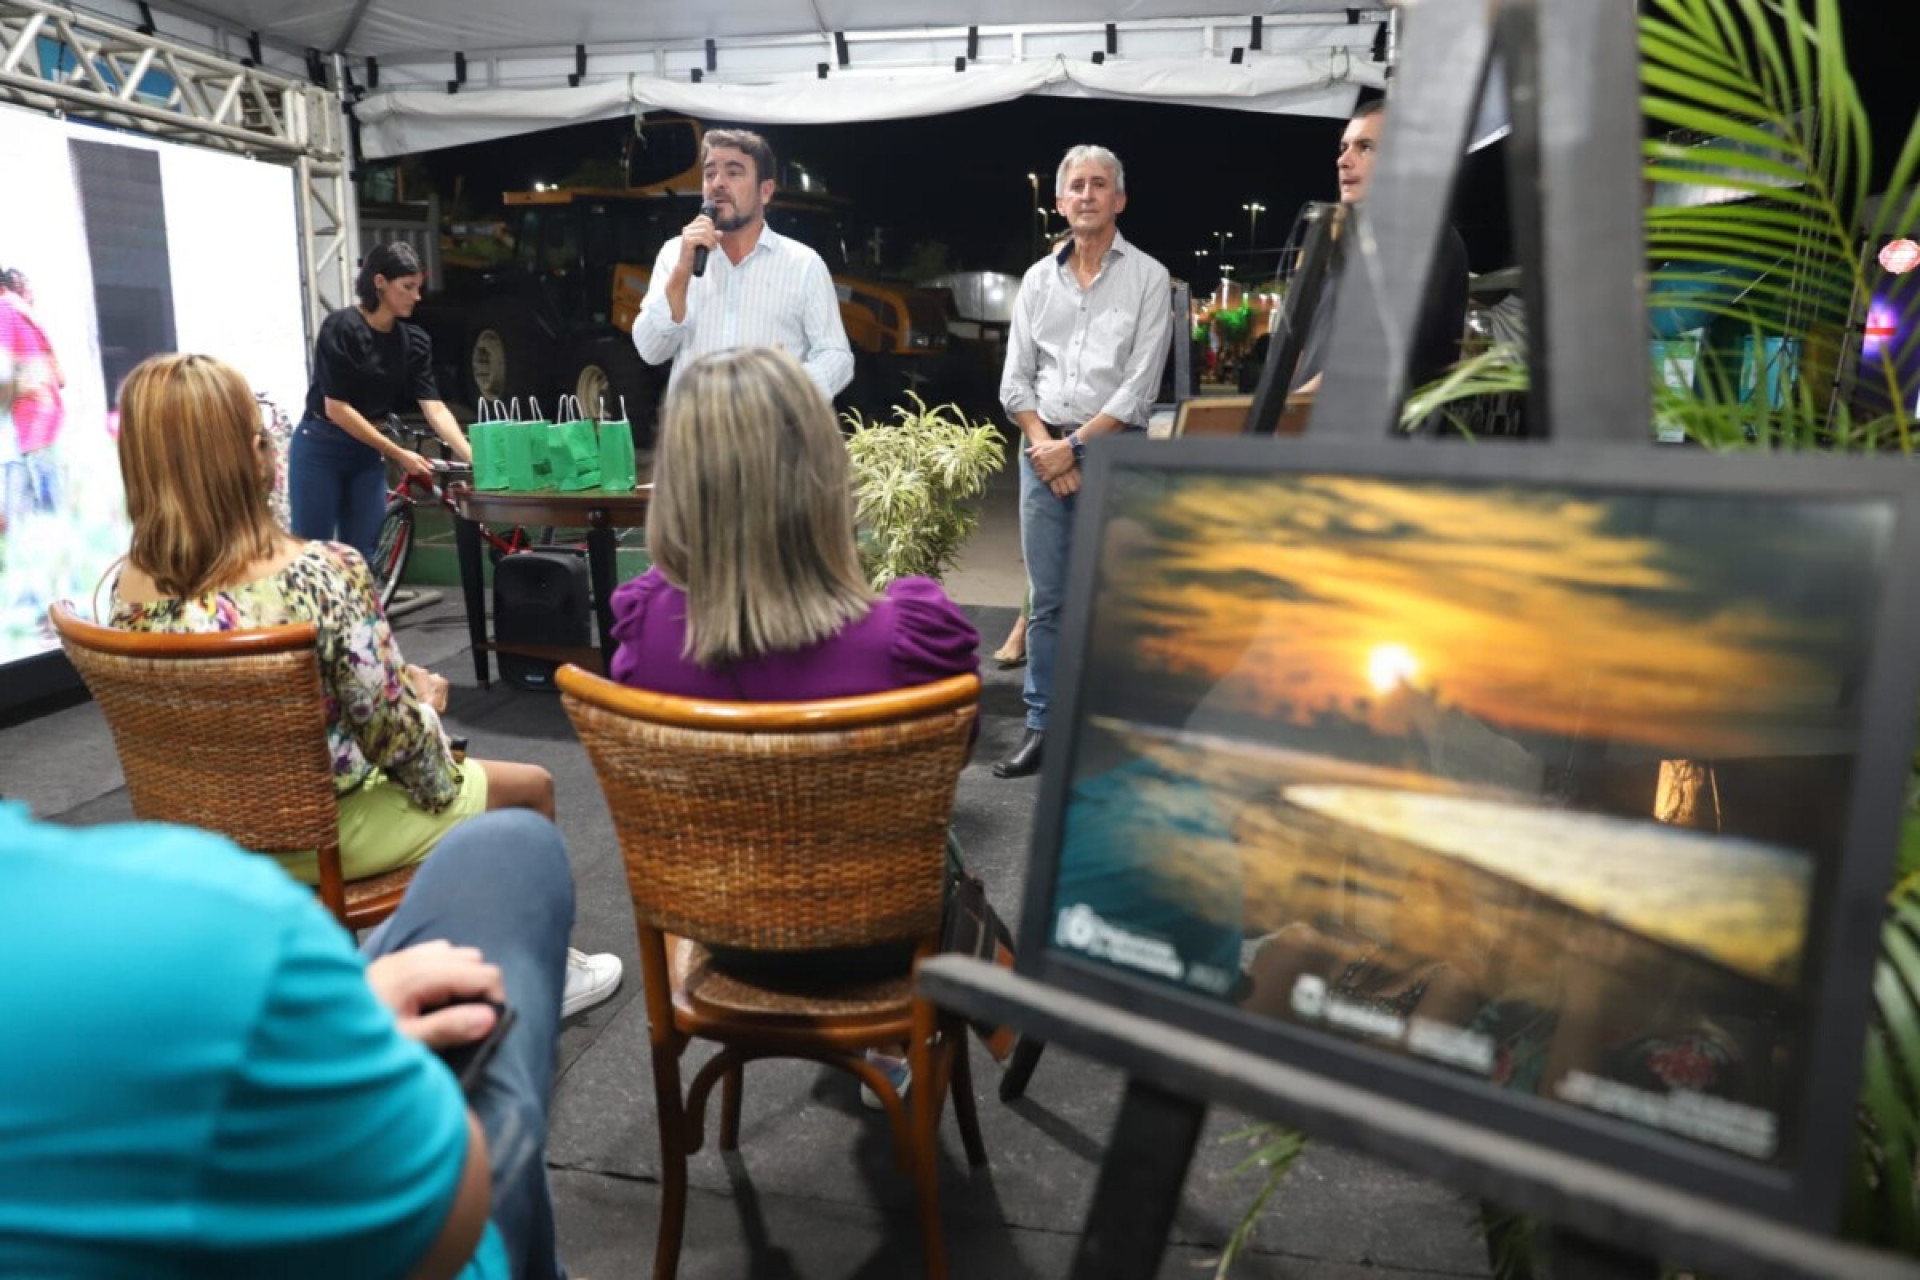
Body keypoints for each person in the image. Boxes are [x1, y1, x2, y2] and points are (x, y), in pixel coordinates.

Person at [106, 353, 620, 1018]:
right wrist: (430, 711)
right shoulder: (322, 572)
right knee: (531, 789)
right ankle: (541, 971)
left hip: (201, 838)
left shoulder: (126, 587)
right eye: (263, 434)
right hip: (322, 833)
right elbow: (397, 741)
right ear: (249, 458)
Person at [608, 345, 978, 1101]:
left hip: (725, 937)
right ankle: (953, 1029)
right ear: (821, 473)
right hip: (876, 943)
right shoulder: (907, 638)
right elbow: (955, 758)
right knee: (947, 851)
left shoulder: (646, 634)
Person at [0, 802, 579, 1280]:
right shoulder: (212, 925)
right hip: (335, 821)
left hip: (242, 815)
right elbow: (451, 1218)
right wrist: (351, 1032)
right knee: (512, 845)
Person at [995, 144, 1172, 779]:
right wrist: (1047, 446)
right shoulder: (1038, 280)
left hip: (1112, 454)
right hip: (1041, 452)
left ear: (1119, 200)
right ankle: (1042, 727)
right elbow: (1015, 381)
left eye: (1101, 185)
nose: (1088, 195)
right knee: (1049, 600)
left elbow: (1139, 389)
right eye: (1077, 186)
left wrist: (1070, 449)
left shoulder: (1150, 277)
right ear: (1061, 200)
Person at [631, 128, 854, 403]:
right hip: (693, 438)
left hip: (771, 437)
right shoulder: (676, 254)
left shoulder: (803, 265)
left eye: (733, 173)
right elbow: (650, 351)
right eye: (710, 173)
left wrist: (787, 387)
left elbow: (837, 356)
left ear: (766, 191)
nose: (717, 183)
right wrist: (681, 274)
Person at [291, 241, 470, 561]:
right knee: (311, 553)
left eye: (418, 287)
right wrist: (398, 453)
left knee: (362, 556)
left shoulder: (413, 341)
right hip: (322, 446)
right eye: (408, 287)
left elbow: (434, 406)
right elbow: (337, 408)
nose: (416, 296)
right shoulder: (342, 328)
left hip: (367, 450)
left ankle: (362, 611)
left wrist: (470, 455)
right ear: (379, 282)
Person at [1288, 98, 1471, 396]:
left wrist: (1291, 410)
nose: (1343, 160)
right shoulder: (1353, 241)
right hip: (1311, 426)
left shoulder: (1425, 239)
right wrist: (1281, 406)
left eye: (1365, 147)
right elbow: (1308, 344)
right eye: (1344, 147)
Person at [0, 266, 66, 528]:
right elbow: (60, 377)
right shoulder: (27, 317)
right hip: (43, 434)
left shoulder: (3, 311)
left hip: (24, 437)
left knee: (25, 534)